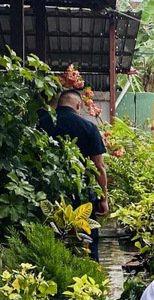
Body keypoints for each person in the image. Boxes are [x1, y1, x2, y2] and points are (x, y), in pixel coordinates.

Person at [42, 90, 109, 260]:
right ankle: (89, 276)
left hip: (48, 192)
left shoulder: (42, 124)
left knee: (53, 240)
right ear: (78, 106)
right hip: (82, 193)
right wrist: (104, 198)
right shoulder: (88, 127)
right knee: (87, 240)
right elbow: (99, 166)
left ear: (59, 104)